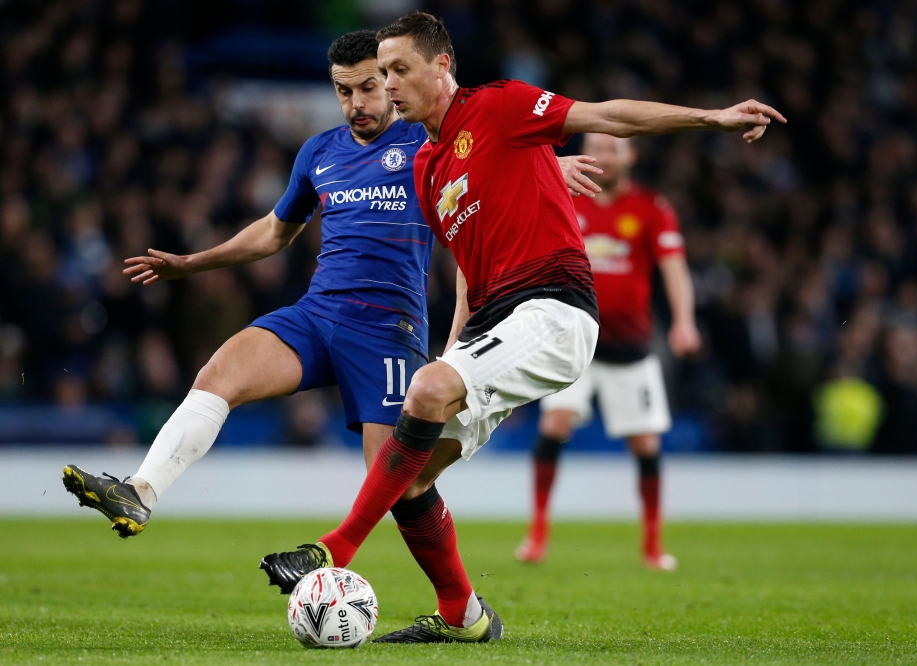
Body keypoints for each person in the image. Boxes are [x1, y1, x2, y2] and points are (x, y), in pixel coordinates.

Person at [259, 11, 784, 644]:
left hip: (555, 310)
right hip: (494, 324)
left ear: (441, 65)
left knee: (422, 402)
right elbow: (467, 274)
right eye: (383, 73)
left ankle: (333, 550)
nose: (389, 84)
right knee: (410, 477)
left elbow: (607, 114)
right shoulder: (428, 168)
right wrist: (452, 354)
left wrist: (712, 118)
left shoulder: (502, 106)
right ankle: (464, 615)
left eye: (400, 70)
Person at [60, 30, 603, 538]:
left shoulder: (426, 142)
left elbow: (490, 159)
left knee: (395, 488)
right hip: (317, 315)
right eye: (344, 91)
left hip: (388, 331)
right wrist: (193, 262)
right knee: (220, 371)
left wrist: (550, 166)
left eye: (369, 87)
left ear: (392, 83)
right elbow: (275, 233)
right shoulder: (319, 153)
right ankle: (140, 491)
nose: (357, 104)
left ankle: (461, 606)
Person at [516, 133, 701, 571]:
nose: (603, 155)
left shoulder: (651, 208)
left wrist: (684, 320)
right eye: (596, 146)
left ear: (631, 155)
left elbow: (673, 268)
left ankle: (653, 545)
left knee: (646, 445)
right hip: (572, 344)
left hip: (630, 349)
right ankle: (538, 532)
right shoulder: (562, 196)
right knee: (555, 425)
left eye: (614, 148)